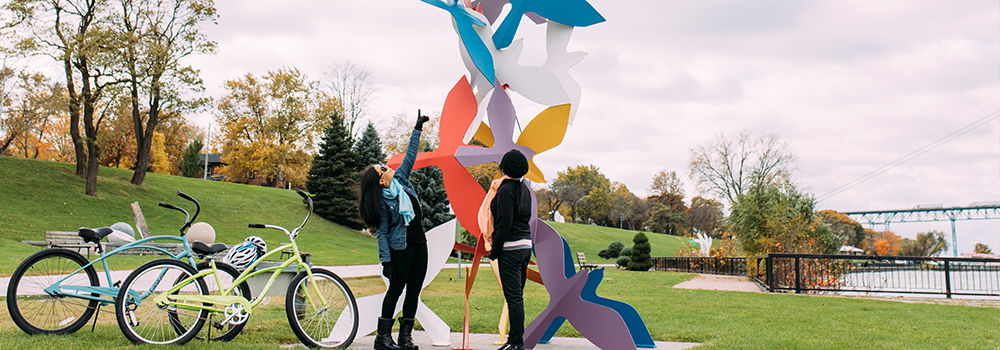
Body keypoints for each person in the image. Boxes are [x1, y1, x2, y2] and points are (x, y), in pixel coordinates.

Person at [358, 112, 431, 350]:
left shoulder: (401, 181)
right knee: (396, 290)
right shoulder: (382, 202)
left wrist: (417, 128)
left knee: (414, 292)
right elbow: (382, 232)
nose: (386, 166)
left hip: (420, 244)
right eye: (382, 168)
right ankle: (382, 338)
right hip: (400, 249)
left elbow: (410, 155)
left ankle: (405, 337)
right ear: (381, 181)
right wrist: (386, 261)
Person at [487, 149, 533, 350]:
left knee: (513, 298)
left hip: (511, 249)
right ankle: (514, 341)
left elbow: (504, 222)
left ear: (504, 167)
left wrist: (495, 250)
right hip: (524, 246)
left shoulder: (506, 190)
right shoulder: (525, 189)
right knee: (517, 297)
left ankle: (516, 343)